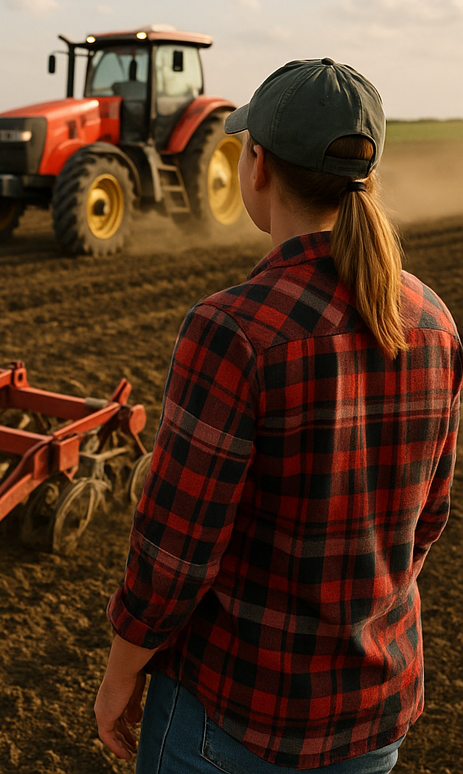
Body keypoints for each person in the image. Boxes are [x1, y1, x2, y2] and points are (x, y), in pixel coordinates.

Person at [94, 58, 461, 772]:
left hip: (238, 714)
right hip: (375, 710)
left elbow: (176, 550)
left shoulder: (233, 329)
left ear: (257, 165)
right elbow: (430, 517)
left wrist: (120, 673)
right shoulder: (434, 321)